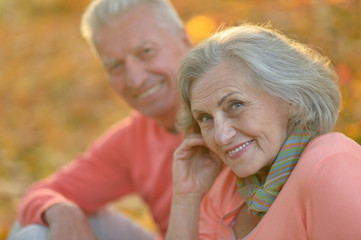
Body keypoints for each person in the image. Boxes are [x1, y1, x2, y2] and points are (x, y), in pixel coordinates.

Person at [8, 0, 192, 239]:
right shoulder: (132, 138)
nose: (134, 80)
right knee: (35, 229)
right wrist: (62, 212)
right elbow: (41, 192)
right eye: (116, 66)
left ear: (184, 39)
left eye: (146, 52)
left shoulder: (235, 107)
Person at [166, 23, 361, 239]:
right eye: (205, 118)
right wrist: (187, 197)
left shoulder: (331, 169)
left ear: (290, 98)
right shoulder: (227, 189)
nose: (221, 136)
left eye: (236, 105)